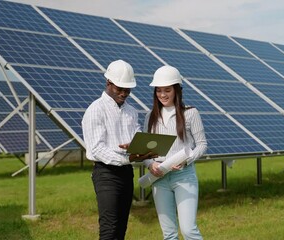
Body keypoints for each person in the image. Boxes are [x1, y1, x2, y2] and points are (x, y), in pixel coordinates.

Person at [82, 59, 155, 240]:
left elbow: (137, 137)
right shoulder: (96, 110)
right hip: (106, 174)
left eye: (127, 89)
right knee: (109, 228)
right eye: (119, 89)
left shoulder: (131, 111)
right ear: (108, 83)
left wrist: (143, 146)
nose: (124, 93)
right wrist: (127, 158)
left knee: (121, 227)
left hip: (126, 174)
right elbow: (97, 148)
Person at [144, 65, 207, 240]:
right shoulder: (150, 117)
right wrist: (151, 164)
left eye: (167, 90)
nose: (162, 95)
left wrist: (187, 160)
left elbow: (202, 145)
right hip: (159, 178)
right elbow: (145, 152)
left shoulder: (191, 113)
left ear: (177, 90)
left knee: (188, 231)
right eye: (159, 90)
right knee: (169, 234)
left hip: (184, 176)